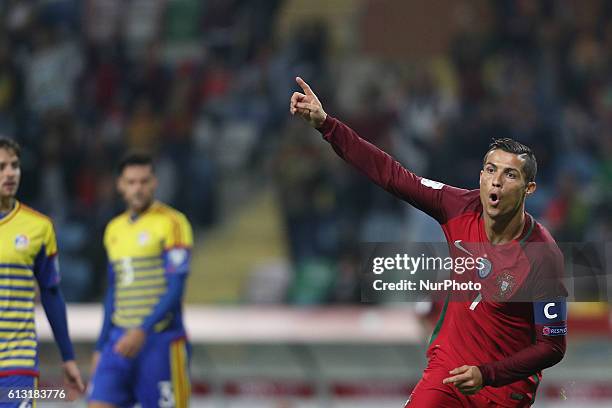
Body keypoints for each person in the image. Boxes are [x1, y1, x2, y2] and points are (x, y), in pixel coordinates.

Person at [290, 77, 567, 407]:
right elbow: (391, 174)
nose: (496, 180)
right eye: (490, 169)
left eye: (510, 174)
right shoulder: (458, 206)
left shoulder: (542, 253)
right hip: (447, 375)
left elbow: (552, 345)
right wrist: (326, 124)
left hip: (504, 391)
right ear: (480, 176)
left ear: (529, 188)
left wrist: (487, 374)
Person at [88, 152, 193, 408]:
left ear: (154, 183)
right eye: (131, 182)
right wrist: (101, 346)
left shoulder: (173, 222)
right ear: (120, 185)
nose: (138, 188)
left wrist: (142, 329)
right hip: (119, 340)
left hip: (160, 341)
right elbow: (113, 290)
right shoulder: (114, 229)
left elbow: (176, 287)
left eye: (144, 181)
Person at [0, 137, 84, 405]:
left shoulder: (38, 227)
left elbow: (51, 293)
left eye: (14, 165)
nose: (10, 173)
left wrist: (67, 356)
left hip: (17, 362)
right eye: (1, 167)